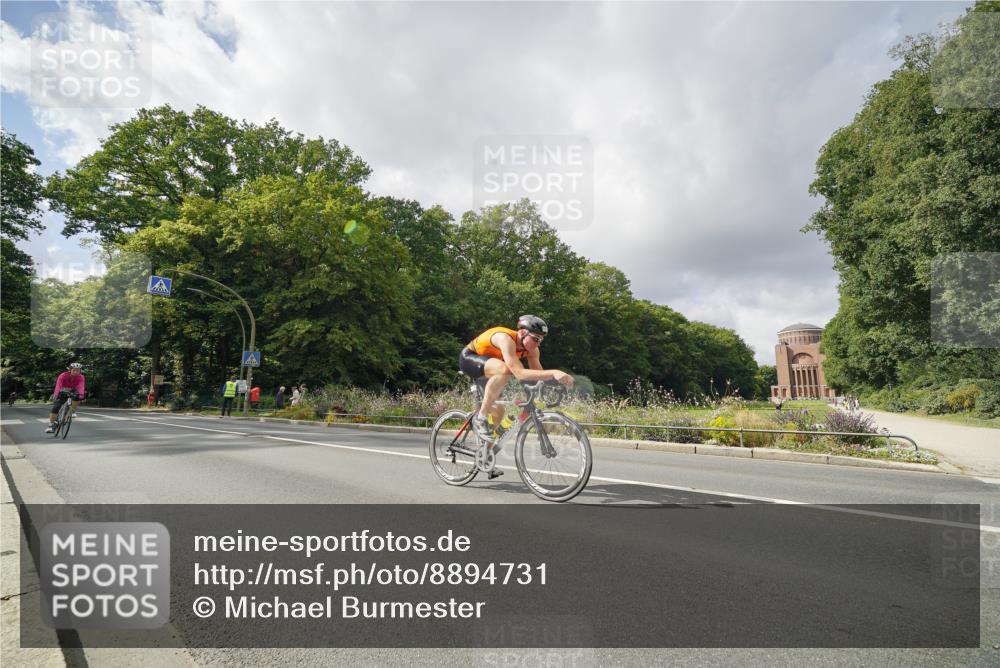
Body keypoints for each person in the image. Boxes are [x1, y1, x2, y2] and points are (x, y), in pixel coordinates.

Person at [459, 315, 574, 456]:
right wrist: (554, 372)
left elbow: (538, 376)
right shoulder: (505, 339)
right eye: (535, 339)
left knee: (498, 412)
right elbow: (519, 373)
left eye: (541, 340)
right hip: (470, 359)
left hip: (491, 369)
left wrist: (556, 383)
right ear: (523, 333)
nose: (538, 344)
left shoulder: (533, 350)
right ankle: (480, 417)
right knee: (505, 370)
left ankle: (484, 455)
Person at [45, 362, 85, 433]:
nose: (76, 372)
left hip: (73, 390)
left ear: (80, 371)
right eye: (74, 370)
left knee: (78, 397)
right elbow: (58, 385)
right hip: (62, 390)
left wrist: (81, 394)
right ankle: (51, 425)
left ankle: (72, 411)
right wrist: (56, 394)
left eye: (78, 370)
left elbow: (81, 386)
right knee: (56, 407)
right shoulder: (63, 375)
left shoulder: (81, 377)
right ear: (70, 370)